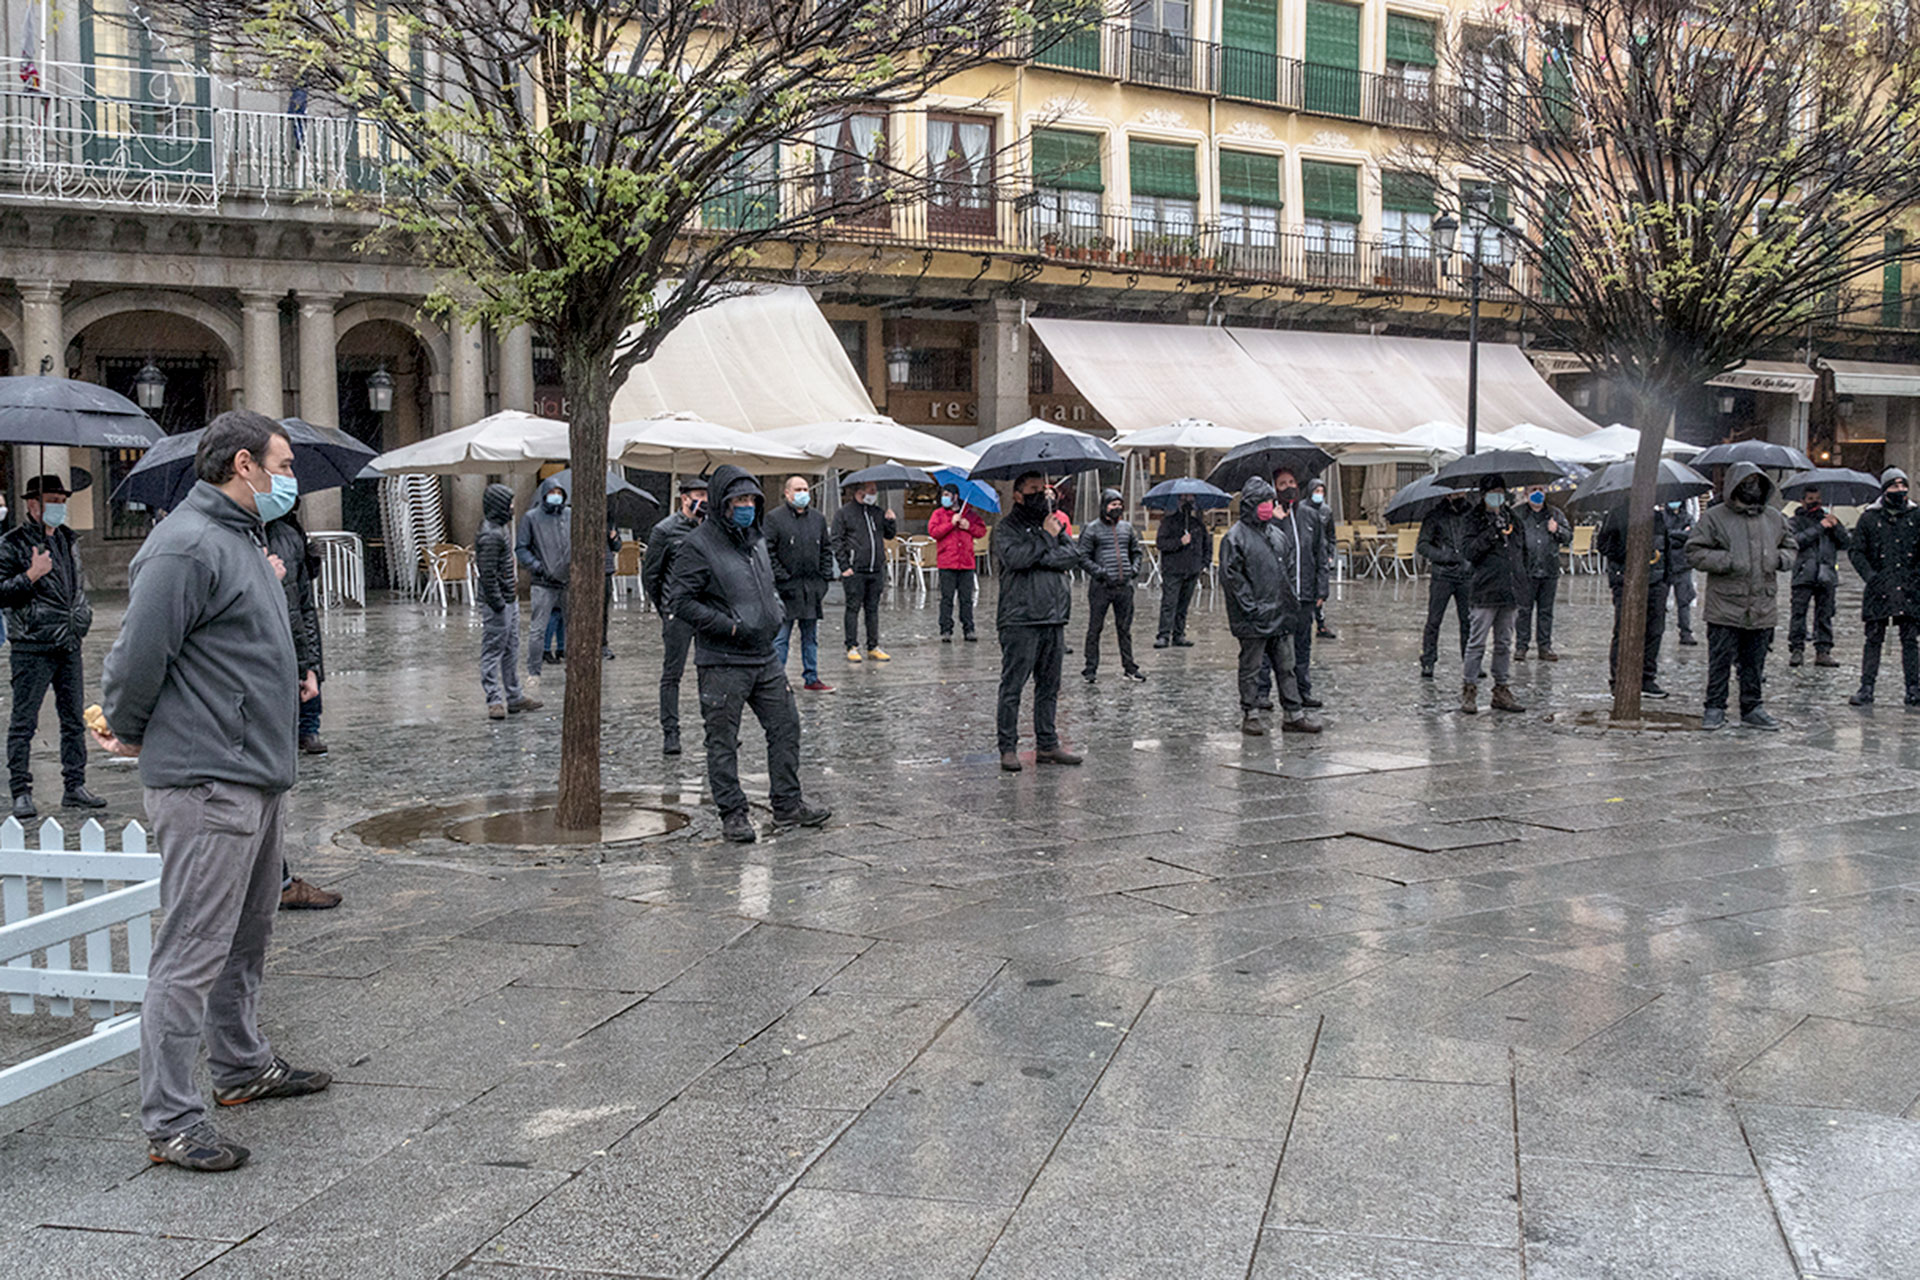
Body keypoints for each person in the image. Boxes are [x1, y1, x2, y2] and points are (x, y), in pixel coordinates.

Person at [96, 410, 330, 1173]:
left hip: (256, 774)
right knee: (192, 950)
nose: (289, 478)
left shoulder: (241, 541)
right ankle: (170, 1119)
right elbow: (138, 655)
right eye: (282, 464)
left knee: (247, 935)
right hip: (208, 778)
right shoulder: (188, 543)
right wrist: (128, 727)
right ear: (243, 466)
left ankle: (241, 1065)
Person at [665, 465, 830, 843]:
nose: (745, 507)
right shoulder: (697, 545)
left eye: (751, 500)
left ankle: (788, 803)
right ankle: (733, 812)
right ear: (722, 503)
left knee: (786, 726)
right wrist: (730, 625)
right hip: (722, 660)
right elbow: (682, 602)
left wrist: (774, 609)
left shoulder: (754, 540)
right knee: (723, 740)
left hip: (763, 656)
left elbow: (766, 581)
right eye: (738, 500)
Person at [0, 473, 101, 819]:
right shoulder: (12, 544)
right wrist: (31, 575)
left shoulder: (67, 540)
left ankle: (75, 785)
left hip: (68, 641)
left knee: (73, 719)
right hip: (32, 644)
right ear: (32, 505)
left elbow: (75, 586)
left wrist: (82, 614)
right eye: (52, 502)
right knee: (24, 721)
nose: (59, 508)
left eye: (62, 502)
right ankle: (21, 789)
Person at [265, 506, 341, 912]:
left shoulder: (286, 534)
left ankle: (278, 879)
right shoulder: (218, 538)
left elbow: (303, 607)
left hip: (285, 662)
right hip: (245, 677)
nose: (288, 482)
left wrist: (309, 665)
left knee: (272, 785)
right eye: (282, 467)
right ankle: (269, 881)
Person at [1687, 461, 1796, 730]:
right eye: (1747, 484)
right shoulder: (1714, 517)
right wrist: (1727, 561)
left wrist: (1779, 559)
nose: (1752, 489)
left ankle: (1752, 706)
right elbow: (1694, 551)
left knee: (1755, 662)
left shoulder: (1774, 517)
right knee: (1720, 660)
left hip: (1762, 603)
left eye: (1757, 484)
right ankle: (1714, 706)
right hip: (1725, 604)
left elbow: (1791, 547)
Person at [991, 471, 1084, 772]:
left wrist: (1042, 550)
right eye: (1033, 489)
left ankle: (1047, 744)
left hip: (1054, 616)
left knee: (1049, 686)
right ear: (1017, 495)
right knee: (1013, 686)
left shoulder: (1055, 523)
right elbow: (1016, 559)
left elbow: (1072, 556)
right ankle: (1007, 747)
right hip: (1021, 617)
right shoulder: (1007, 528)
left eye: (1044, 489)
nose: (1043, 495)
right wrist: (1045, 539)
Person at [1220, 477, 1322, 736]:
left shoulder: (1277, 534)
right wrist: (1250, 607)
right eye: (1263, 502)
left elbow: (1287, 571)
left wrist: (1289, 603)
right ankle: (1250, 713)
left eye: (1270, 501)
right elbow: (1233, 579)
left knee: (1286, 666)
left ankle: (1293, 713)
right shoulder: (1235, 538)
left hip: (1280, 612)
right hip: (1253, 617)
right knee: (1252, 668)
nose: (1268, 506)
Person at [642, 476, 707, 755]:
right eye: (699, 495)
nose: (704, 501)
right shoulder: (664, 531)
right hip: (677, 612)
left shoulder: (712, 529)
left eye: (707, 495)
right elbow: (651, 575)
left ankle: (715, 728)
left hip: (708, 612)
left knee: (711, 672)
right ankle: (671, 731)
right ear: (685, 498)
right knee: (673, 674)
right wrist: (665, 607)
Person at [1847, 468, 1920, 708]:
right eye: (1894, 486)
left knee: (1910, 640)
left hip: (1909, 587)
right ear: (1885, 489)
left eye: (1902, 486)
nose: (1899, 490)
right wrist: (1870, 576)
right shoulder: (1869, 517)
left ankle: (1914, 688)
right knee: (1873, 639)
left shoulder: (1915, 515)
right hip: (1879, 587)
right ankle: (1867, 687)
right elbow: (1856, 551)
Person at [1260, 467, 1329, 708]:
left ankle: (1303, 690)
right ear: (1274, 489)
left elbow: (1320, 553)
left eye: (1291, 481)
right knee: (1271, 646)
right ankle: (1262, 693)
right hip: (1278, 595)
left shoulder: (1310, 516)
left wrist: (1322, 588)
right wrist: (1275, 523)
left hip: (1305, 593)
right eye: (1282, 483)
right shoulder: (1269, 519)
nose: (1288, 486)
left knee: (1302, 645)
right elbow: (1263, 552)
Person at [1459, 474, 1527, 715]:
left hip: (1509, 589)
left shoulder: (1513, 519)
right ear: (1484, 494)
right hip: (1485, 589)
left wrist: (1521, 580)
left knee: (1504, 642)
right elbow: (1468, 551)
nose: (1497, 497)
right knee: (1477, 642)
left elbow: (1521, 551)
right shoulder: (1473, 520)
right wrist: (1491, 534)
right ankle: (1469, 689)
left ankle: (1501, 688)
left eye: (1500, 491)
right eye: (1492, 492)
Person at [476, 482, 542, 721]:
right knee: (494, 649)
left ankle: (514, 696)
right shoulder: (491, 535)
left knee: (511, 647)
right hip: (500, 603)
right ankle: (495, 699)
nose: (514, 507)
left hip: (508, 599)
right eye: (510, 503)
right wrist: (498, 603)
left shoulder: (499, 529)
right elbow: (487, 574)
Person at [1599, 501, 1677, 699]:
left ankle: (1647, 678)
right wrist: (1630, 550)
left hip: (1656, 581)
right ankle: (1618, 679)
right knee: (1624, 629)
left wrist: (1667, 579)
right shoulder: (1617, 514)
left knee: (1654, 631)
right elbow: (1604, 545)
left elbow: (1665, 547)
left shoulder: (1657, 517)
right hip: (1626, 580)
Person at [764, 475, 835, 692]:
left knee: (810, 638)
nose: (803, 493)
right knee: (781, 639)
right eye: (798, 489)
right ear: (787, 493)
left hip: (811, 589)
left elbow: (825, 549)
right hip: (786, 589)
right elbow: (768, 551)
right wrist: (782, 577)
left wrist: (824, 577)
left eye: (805, 488)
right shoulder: (775, 519)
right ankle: (778, 680)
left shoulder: (818, 519)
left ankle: (811, 678)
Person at [1078, 487, 1147, 684]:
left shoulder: (1127, 528)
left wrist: (1133, 569)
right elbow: (1082, 557)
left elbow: (1136, 551)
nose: (1117, 508)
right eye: (1113, 504)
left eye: (1119, 504)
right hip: (1101, 587)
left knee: (1124, 629)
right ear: (1104, 506)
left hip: (1124, 586)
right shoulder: (1092, 529)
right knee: (1094, 629)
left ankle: (1130, 667)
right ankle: (1090, 668)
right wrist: (1100, 573)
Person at [515, 475, 570, 688]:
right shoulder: (531, 518)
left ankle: (571, 664)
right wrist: (538, 567)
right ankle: (534, 670)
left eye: (559, 493)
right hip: (542, 582)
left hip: (567, 580)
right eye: (552, 492)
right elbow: (522, 548)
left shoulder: (569, 515)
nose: (555, 496)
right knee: (538, 628)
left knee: (572, 626)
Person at [831, 479, 895, 662]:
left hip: (875, 568)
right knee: (853, 608)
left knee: (872, 608)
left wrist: (891, 521)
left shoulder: (877, 512)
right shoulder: (844, 513)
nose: (874, 494)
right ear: (859, 492)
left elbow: (888, 535)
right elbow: (836, 540)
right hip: (855, 570)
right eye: (871, 490)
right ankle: (851, 645)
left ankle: (873, 645)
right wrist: (844, 566)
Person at [1787, 486, 1849, 668]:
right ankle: (1797, 649)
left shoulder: (1830, 520)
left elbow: (1845, 543)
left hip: (1826, 573)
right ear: (1802, 501)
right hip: (1804, 573)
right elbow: (1796, 541)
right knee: (1799, 613)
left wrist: (1836, 527)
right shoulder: (1795, 521)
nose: (1815, 501)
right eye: (1810, 498)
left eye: (1817, 498)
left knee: (1825, 614)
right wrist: (1819, 528)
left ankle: (1823, 651)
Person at [1416, 490, 1474, 679]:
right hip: (1442, 575)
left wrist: (1470, 559)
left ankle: (1470, 661)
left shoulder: (1472, 514)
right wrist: (1444, 556)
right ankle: (1429, 660)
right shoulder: (1435, 516)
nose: (1459, 495)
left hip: (1465, 574)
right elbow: (1423, 545)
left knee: (1468, 620)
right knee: (1434, 620)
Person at [1513, 485, 1573, 662]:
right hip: (1525, 570)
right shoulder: (1517, 514)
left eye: (1541, 489)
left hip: (1549, 569)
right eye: (1533, 490)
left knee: (1546, 611)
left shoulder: (1555, 513)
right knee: (1523, 610)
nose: (1537, 493)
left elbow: (1568, 536)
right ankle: (1521, 646)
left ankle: (1544, 646)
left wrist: (1558, 530)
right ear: (1526, 493)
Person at [928, 483, 983, 642]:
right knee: (947, 598)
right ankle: (946, 629)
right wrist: (950, 524)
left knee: (966, 599)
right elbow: (934, 532)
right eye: (943, 494)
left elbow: (981, 531)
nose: (944, 497)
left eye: (947, 494)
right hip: (947, 563)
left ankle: (969, 628)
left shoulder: (970, 514)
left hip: (966, 563)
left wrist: (969, 526)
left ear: (955, 496)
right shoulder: (938, 514)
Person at [1153, 493, 1208, 648]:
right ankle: (1164, 635)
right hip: (1173, 570)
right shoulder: (1168, 523)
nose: (1187, 502)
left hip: (1192, 570)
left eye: (1190, 499)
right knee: (1169, 603)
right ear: (1178, 501)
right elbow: (1161, 544)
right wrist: (1179, 542)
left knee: (1183, 605)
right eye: (1184, 499)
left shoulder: (1197, 524)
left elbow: (1206, 544)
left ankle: (1179, 634)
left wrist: (1203, 563)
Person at [1307, 478, 1338, 639]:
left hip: (1322, 555)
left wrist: (1331, 554)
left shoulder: (1326, 511)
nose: (1319, 495)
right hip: (1308, 556)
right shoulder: (1303, 509)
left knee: (1321, 590)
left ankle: (1321, 624)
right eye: (1316, 491)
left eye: (1321, 492)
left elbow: (1331, 535)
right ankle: (1312, 623)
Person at [1666, 499, 1699, 645]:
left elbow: (1692, 535)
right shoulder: (1662, 518)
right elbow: (1664, 537)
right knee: (1659, 603)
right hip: (1666, 564)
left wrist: (1674, 535)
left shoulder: (1687, 518)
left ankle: (1685, 632)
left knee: (1684, 601)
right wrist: (1680, 534)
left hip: (1683, 565)